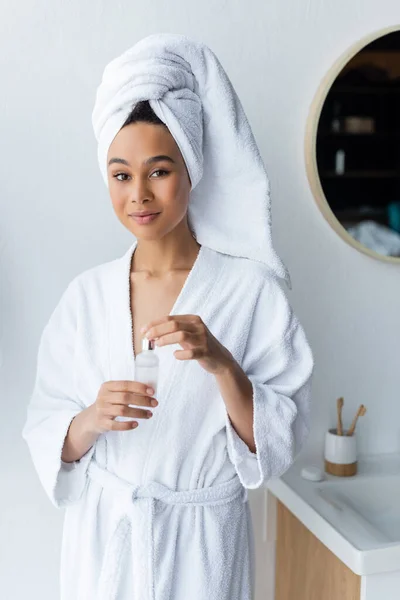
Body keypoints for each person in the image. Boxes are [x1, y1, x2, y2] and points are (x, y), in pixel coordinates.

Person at [22, 33, 314, 600]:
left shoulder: (251, 292)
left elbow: (279, 443)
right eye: (121, 174)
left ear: (192, 167)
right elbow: (46, 432)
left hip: (201, 548)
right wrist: (88, 420)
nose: (139, 195)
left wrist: (223, 364)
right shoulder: (85, 298)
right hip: (104, 545)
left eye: (159, 170)